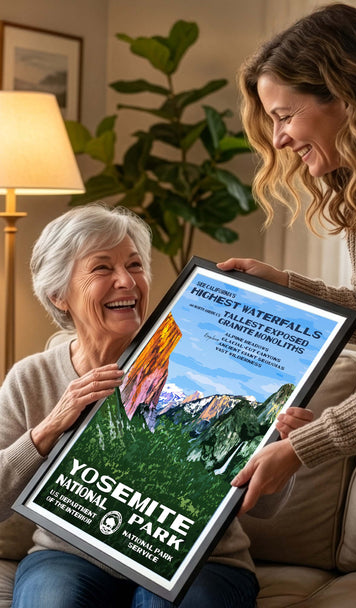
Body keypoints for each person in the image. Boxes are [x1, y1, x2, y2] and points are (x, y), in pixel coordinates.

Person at [1, 203, 311, 608]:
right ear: (59, 295)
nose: (126, 281)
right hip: (69, 556)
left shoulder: (203, 363)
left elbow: (265, 509)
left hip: (202, 561)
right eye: (102, 269)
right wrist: (50, 427)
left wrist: (285, 447)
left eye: (134, 265)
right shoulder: (31, 377)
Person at [217, 2, 356, 514]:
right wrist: (286, 288)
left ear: (348, 96)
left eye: (285, 116)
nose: (279, 139)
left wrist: (303, 448)